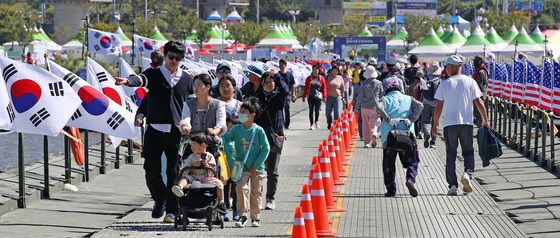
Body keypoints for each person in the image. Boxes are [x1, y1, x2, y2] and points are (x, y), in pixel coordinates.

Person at [115, 41, 194, 223]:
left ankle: (172, 211)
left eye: (178, 58)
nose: (174, 61)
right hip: (155, 130)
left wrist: (187, 124)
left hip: (176, 132)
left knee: (173, 172)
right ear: (165, 56)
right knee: (151, 170)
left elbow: (190, 105)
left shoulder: (187, 79)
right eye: (171, 57)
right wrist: (128, 81)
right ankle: (160, 198)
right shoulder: (154, 73)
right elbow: (140, 79)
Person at [432, 55, 490, 196]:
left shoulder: (445, 84)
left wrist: (435, 124)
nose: (446, 69)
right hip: (466, 123)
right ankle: (467, 174)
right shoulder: (470, 81)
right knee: (468, 152)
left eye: (447, 67)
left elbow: (439, 106)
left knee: (451, 154)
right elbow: (479, 102)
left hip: (449, 124)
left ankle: (452, 186)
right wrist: (485, 120)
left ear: (451, 67)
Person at [222, 97, 270, 228]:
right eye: (240, 111)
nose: (240, 114)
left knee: (256, 192)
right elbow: (226, 138)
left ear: (252, 115)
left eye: (244, 112)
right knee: (241, 189)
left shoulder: (258, 130)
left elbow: (266, 148)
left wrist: (257, 164)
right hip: (242, 167)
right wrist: (219, 139)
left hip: (257, 168)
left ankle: (256, 217)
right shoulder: (237, 129)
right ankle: (242, 215)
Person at [376, 77, 423, 197]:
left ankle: (391, 190)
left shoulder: (384, 99)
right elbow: (420, 106)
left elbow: (379, 108)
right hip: (407, 136)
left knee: (389, 164)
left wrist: (388, 119)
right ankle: (410, 180)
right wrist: (410, 119)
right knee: (413, 160)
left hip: (389, 137)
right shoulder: (408, 98)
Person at [254, 71, 289, 210]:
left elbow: (285, 91)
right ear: (262, 84)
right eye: (266, 82)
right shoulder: (257, 98)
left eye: (271, 82)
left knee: (272, 171)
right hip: (259, 138)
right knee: (258, 169)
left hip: (276, 138)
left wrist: (278, 77)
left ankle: (270, 198)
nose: (269, 84)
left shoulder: (278, 97)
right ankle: (257, 197)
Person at [171, 133, 227, 213]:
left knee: (219, 183)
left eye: (194, 145)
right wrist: (192, 166)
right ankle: (179, 187)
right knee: (184, 178)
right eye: (191, 145)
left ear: (203, 146)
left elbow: (213, 171)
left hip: (206, 178)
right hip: (193, 177)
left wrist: (206, 165)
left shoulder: (209, 156)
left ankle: (221, 202)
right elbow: (184, 169)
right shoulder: (191, 157)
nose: (192, 147)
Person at [180, 73, 227, 154]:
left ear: (208, 87)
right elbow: (185, 119)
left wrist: (214, 131)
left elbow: (221, 123)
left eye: (199, 84)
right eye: (194, 85)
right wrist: (185, 126)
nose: (195, 87)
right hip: (193, 145)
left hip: (211, 145)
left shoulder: (219, 104)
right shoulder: (188, 104)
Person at [217, 75, 242, 222]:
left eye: (228, 85)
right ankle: (223, 209)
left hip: (237, 150)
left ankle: (237, 211)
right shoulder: (214, 104)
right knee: (223, 180)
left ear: (234, 88)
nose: (225, 89)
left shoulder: (240, 105)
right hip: (220, 149)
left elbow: (246, 127)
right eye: (222, 86)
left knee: (237, 181)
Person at [354, 65, 383, 148]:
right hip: (374, 107)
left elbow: (359, 97)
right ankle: (374, 132)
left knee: (365, 125)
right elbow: (381, 96)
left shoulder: (363, 84)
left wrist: (356, 108)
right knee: (376, 121)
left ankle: (367, 142)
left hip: (364, 107)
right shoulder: (379, 83)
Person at [420, 62, 442, 148]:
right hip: (437, 104)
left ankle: (426, 133)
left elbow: (422, 91)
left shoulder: (425, 78)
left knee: (425, 121)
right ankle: (433, 141)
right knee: (435, 123)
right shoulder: (440, 81)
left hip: (426, 102)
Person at [303, 64, 327, 130]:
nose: (314, 71)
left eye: (316, 69)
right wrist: (304, 96)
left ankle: (316, 121)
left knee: (317, 110)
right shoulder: (309, 78)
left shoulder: (321, 78)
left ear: (318, 70)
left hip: (318, 97)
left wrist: (324, 96)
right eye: (313, 69)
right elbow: (306, 87)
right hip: (310, 96)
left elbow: (324, 88)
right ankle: (311, 124)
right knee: (311, 110)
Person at [275, 59, 297, 130]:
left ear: (285, 65)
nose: (280, 66)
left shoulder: (289, 74)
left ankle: (287, 123)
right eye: (279, 65)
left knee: (287, 108)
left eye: (282, 65)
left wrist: (293, 94)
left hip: (287, 94)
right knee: (280, 109)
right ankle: (282, 123)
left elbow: (293, 85)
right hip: (279, 94)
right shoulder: (277, 74)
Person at [325, 63, 345, 129]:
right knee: (328, 111)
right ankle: (329, 123)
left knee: (336, 112)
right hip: (329, 96)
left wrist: (342, 96)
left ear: (338, 71)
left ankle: (336, 124)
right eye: (333, 70)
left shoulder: (340, 78)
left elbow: (342, 88)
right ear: (331, 70)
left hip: (337, 97)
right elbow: (323, 86)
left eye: (336, 71)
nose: (334, 72)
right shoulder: (327, 77)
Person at [472, 55, 488, 128]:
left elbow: (478, 85)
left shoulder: (481, 72)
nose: (473, 63)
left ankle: (481, 129)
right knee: (477, 113)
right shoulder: (479, 70)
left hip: (479, 95)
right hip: (478, 94)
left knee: (479, 114)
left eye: (475, 61)